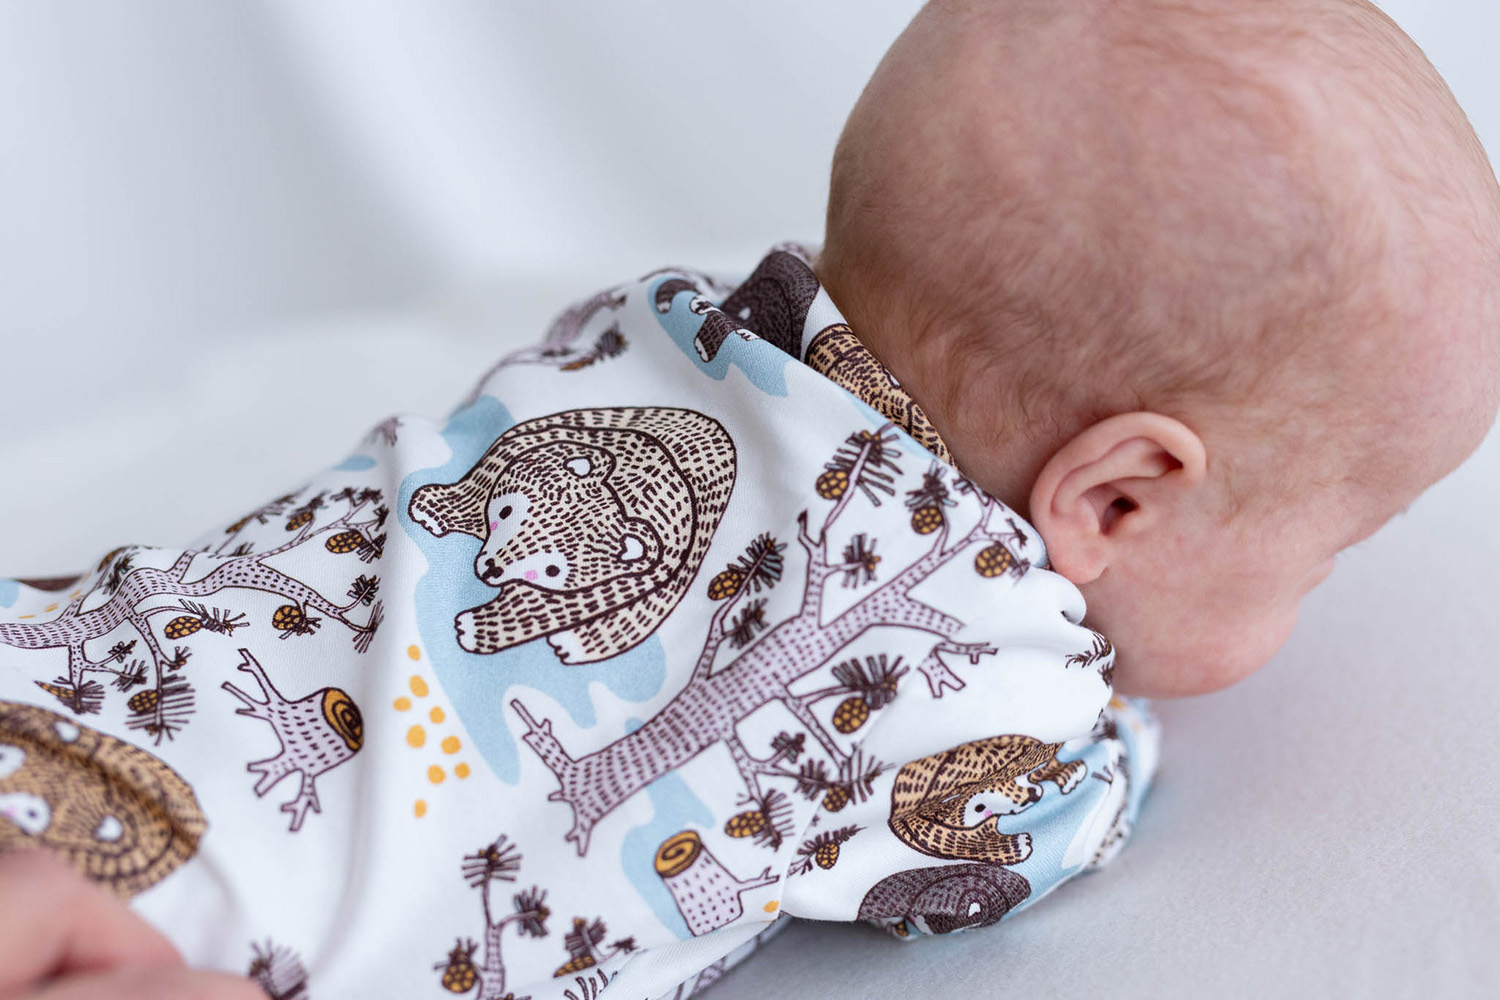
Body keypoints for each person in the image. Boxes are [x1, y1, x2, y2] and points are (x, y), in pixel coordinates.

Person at [2, 0, 1496, 997]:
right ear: (1116, 500)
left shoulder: (659, 322)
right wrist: (1118, 738)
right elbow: (999, 850)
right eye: (1327, 551)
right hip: (169, 912)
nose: (1320, 595)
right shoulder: (990, 682)